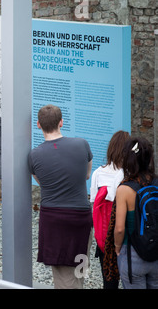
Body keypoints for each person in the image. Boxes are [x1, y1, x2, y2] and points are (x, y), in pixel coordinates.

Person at [28, 104, 93, 289]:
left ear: (39, 125)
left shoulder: (34, 155)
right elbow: (86, 175)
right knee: (79, 268)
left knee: (64, 275)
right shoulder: (82, 144)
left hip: (54, 219)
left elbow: (42, 183)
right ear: (61, 122)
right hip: (80, 217)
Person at [114, 137, 158, 289]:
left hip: (132, 253)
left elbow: (119, 228)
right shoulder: (157, 182)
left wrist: (117, 247)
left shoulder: (124, 190)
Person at [90, 130, 130, 289]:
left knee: (109, 282)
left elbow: (93, 205)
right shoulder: (128, 174)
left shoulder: (98, 173)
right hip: (126, 234)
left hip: (104, 236)